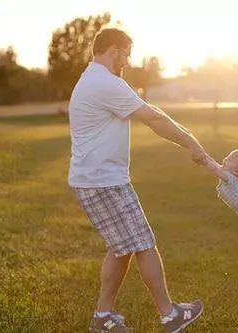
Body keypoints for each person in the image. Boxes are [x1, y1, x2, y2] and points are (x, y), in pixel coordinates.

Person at [68, 28, 205, 332]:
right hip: (104, 181)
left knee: (123, 246)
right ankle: (170, 316)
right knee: (143, 243)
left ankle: (103, 318)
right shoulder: (104, 82)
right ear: (114, 50)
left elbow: (149, 113)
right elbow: (153, 118)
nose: (128, 60)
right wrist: (191, 142)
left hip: (95, 178)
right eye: (127, 53)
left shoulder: (95, 80)